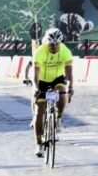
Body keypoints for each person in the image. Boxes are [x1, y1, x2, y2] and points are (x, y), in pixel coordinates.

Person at [31, 28, 73, 157]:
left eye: (57, 44)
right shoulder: (40, 52)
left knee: (62, 92)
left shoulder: (66, 51)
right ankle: (39, 144)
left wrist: (71, 87)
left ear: (60, 42)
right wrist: (37, 88)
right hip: (42, 81)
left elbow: (69, 73)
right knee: (39, 113)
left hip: (57, 79)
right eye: (51, 44)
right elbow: (35, 74)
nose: (54, 46)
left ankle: (59, 117)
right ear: (46, 42)